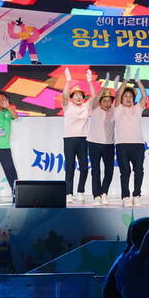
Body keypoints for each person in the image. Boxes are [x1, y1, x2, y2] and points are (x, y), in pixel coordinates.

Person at [114, 68, 148, 207]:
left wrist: (138, 81)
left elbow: (144, 96)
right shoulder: (118, 108)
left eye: (130, 96)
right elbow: (117, 96)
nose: (128, 98)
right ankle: (125, 196)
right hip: (122, 145)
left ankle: (137, 194)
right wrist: (126, 80)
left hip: (138, 144)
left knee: (139, 170)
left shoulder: (137, 108)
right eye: (125, 96)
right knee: (125, 172)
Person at [62, 68, 94, 204]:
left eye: (80, 95)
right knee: (69, 167)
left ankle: (80, 191)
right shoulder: (67, 106)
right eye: (75, 95)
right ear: (72, 97)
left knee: (84, 167)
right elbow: (64, 94)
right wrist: (68, 81)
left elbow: (94, 96)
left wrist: (90, 81)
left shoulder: (86, 107)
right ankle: (68, 193)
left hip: (83, 139)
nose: (78, 97)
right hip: (69, 139)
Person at [88, 74, 117, 206]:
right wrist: (104, 86)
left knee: (109, 170)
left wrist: (115, 88)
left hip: (109, 144)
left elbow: (117, 100)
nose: (106, 103)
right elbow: (96, 98)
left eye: (108, 100)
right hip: (94, 143)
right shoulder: (94, 108)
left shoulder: (114, 110)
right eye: (104, 100)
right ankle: (96, 195)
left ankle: (104, 193)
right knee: (95, 170)